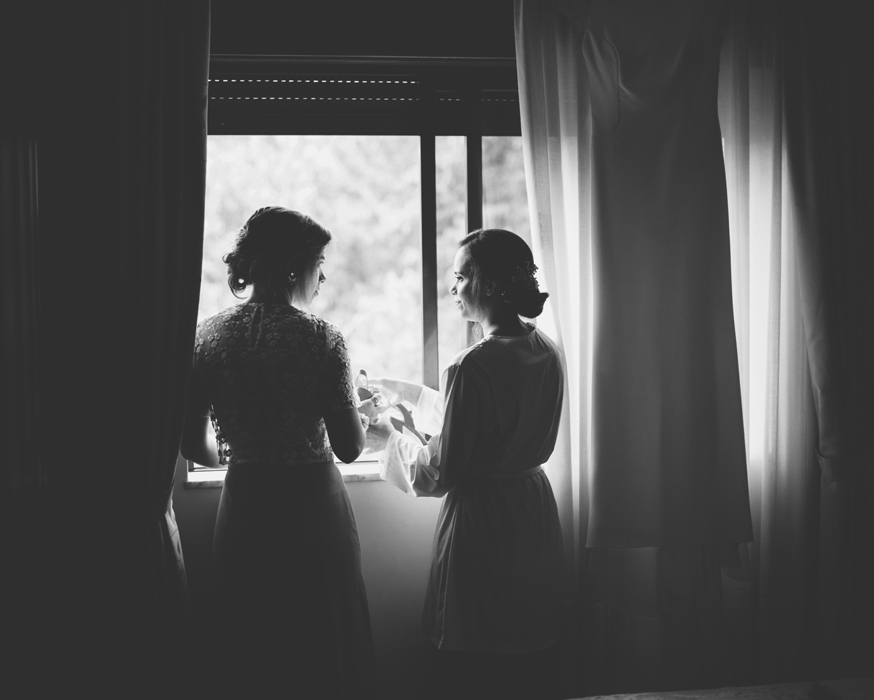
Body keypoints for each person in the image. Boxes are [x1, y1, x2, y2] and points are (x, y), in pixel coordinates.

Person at [181, 207, 377, 698]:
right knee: (321, 638)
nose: (323, 276)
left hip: (246, 504)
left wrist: (244, 449)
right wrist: (360, 409)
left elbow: (193, 444)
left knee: (252, 635)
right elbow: (350, 447)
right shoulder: (321, 338)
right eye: (319, 263)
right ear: (294, 268)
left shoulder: (209, 336)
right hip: (313, 510)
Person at [365, 229, 566, 700]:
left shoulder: (471, 366)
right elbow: (490, 421)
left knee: (474, 655)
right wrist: (410, 393)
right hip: (532, 512)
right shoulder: (545, 350)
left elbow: (439, 473)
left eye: (459, 277)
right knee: (525, 645)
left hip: (483, 522)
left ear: (488, 284)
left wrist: (386, 439)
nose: (452, 288)